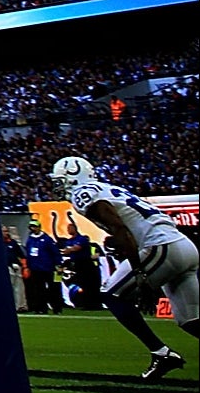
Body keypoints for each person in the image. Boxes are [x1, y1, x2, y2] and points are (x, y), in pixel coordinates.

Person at [53, 154, 197, 379]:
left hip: (160, 244)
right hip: (182, 245)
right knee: (192, 321)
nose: (57, 185)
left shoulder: (82, 193)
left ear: (72, 177)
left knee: (112, 295)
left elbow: (119, 227)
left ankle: (161, 353)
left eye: (60, 179)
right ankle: (162, 354)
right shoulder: (104, 187)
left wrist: (140, 274)